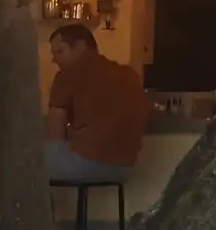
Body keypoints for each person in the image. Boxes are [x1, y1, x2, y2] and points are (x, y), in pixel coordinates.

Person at [47, 25, 149, 184]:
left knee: (23, 163)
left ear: (80, 47)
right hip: (125, 169)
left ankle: (40, 209)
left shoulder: (67, 74)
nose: (54, 60)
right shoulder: (129, 75)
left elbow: (54, 132)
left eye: (60, 51)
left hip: (86, 165)